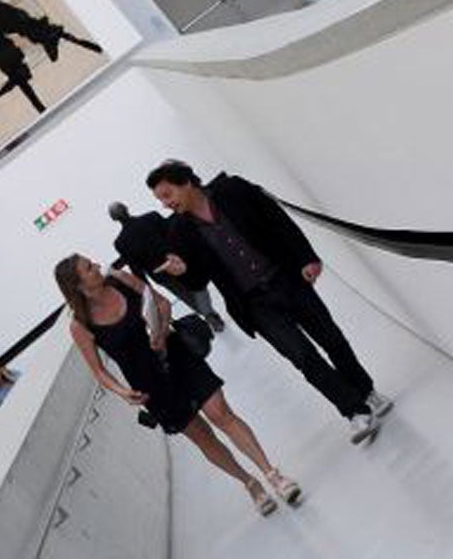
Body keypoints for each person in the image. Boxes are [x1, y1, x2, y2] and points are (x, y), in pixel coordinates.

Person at [147, 160, 393, 445]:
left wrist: (306, 258)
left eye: (167, 195)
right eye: (160, 200)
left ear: (186, 182)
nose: (166, 204)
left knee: (331, 338)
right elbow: (198, 280)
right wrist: (183, 271)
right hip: (255, 305)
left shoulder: (232, 189)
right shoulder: (179, 231)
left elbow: (278, 220)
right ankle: (354, 412)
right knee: (303, 357)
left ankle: (366, 391)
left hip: (286, 278)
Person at [53, 253, 303, 517]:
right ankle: (249, 483)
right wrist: (123, 392)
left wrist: (159, 333)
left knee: (221, 414)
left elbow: (161, 303)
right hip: (151, 386)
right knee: (203, 438)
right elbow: (99, 372)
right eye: (88, 267)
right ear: (79, 286)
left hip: (177, 357)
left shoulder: (122, 280)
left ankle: (273, 475)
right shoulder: (80, 326)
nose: (96, 265)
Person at [108, 200, 226, 333]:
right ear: (126, 208)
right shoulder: (151, 217)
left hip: (161, 274)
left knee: (186, 296)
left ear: (114, 219)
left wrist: (147, 290)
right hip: (176, 261)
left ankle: (210, 317)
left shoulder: (121, 242)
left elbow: (136, 268)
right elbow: (173, 234)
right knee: (196, 288)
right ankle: (210, 314)